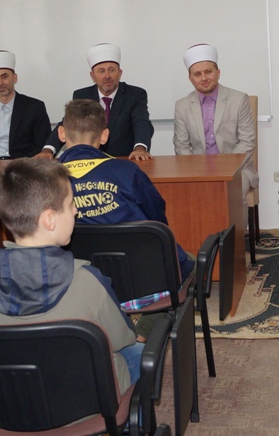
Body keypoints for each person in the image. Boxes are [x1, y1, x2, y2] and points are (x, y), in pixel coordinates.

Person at [0, 158, 140, 436]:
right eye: (71, 205)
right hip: (81, 408)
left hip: (8, 407)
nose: (76, 211)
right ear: (49, 219)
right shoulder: (85, 280)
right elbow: (121, 338)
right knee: (137, 354)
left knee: (7, 353)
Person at [57, 99, 194, 338]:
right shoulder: (127, 172)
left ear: (61, 133)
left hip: (76, 284)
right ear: (104, 136)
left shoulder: (45, 178)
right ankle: (142, 334)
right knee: (190, 263)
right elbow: (157, 220)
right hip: (139, 281)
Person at [38, 43, 153, 161]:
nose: (107, 76)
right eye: (101, 71)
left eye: (112, 70)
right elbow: (66, 124)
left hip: (124, 159)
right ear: (92, 75)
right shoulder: (82, 95)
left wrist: (140, 148)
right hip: (89, 161)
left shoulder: (135, 95)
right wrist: (48, 150)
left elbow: (141, 122)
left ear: (120, 73)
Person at [173, 43, 258, 198]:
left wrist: (224, 168)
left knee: (230, 196)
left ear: (218, 73)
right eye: (197, 74)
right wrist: (199, 171)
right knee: (190, 198)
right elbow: (181, 146)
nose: (204, 78)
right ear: (190, 78)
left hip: (237, 170)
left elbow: (247, 141)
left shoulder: (239, 99)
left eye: (208, 72)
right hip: (197, 171)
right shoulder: (182, 106)